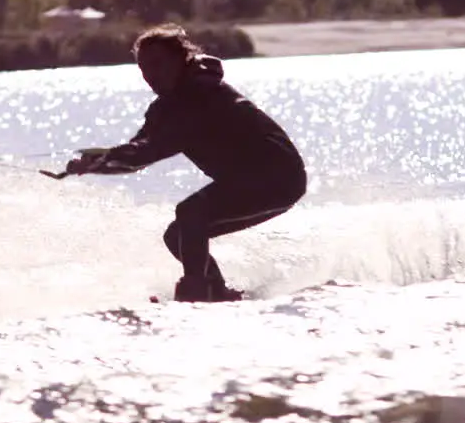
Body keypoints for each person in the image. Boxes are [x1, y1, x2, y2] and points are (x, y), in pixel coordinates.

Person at [63, 24, 307, 302]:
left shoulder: (201, 96)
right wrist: (95, 164)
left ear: (181, 60)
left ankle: (197, 289)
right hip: (249, 180)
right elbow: (139, 152)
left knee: (192, 211)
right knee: (178, 235)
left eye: (158, 64)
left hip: (280, 175)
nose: (151, 75)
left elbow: (150, 150)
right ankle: (215, 290)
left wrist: (105, 158)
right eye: (143, 68)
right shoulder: (165, 108)